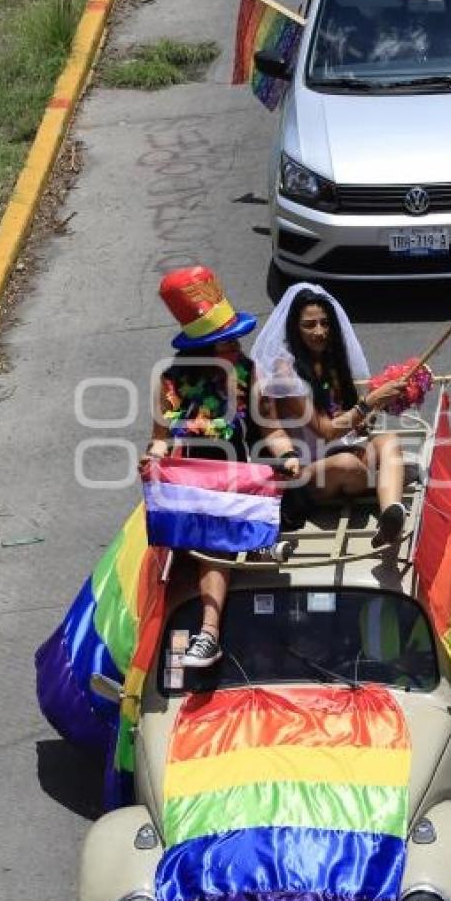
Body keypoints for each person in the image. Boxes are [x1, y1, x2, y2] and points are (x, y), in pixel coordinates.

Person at [140, 267, 300, 668]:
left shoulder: (249, 374)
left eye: (234, 338)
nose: (235, 347)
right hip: (183, 484)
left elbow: (272, 429)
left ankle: (209, 634)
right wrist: (153, 458)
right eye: (224, 342)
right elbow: (160, 437)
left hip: (228, 483)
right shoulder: (170, 382)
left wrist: (288, 456)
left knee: (212, 542)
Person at [251, 283, 408, 548]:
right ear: (294, 328)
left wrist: (365, 418)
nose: (319, 332)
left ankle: (390, 515)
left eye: (325, 323)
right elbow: (325, 429)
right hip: (302, 472)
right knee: (349, 465)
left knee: (388, 440)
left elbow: (342, 416)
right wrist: (369, 403)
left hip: (334, 452)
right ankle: (389, 479)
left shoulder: (328, 360)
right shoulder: (284, 375)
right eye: (309, 325)